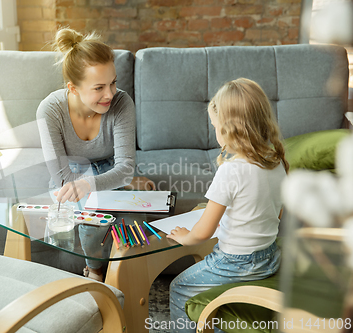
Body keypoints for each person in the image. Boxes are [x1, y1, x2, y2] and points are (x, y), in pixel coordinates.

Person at [167, 78, 289, 333]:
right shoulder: (277, 161)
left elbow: (203, 232)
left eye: (215, 126)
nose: (214, 131)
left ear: (229, 129)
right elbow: (275, 213)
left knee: (179, 289)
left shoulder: (231, 171)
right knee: (224, 303)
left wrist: (185, 237)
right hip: (270, 258)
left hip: (234, 264)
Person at [36, 28, 154, 281]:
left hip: (111, 168)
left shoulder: (122, 103)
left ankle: (126, 277)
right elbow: (63, 180)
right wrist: (101, 184)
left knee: (135, 225)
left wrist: (118, 179)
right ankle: (95, 271)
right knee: (91, 228)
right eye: (99, 87)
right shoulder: (50, 110)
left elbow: (123, 168)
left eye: (113, 83)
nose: (110, 94)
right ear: (74, 88)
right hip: (73, 172)